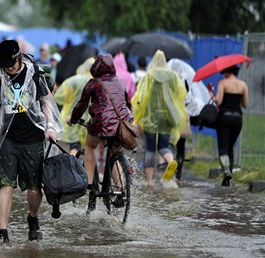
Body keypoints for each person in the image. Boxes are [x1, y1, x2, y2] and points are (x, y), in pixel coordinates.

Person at [0, 40, 62, 243]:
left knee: (34, 188)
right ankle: (3, 232)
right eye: (4, 64)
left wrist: (50, 126)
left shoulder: (34, 74)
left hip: (33, 137)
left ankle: (33, 219)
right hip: (6, 138)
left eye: (12, 63)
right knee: (6, 185)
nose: (8, 68)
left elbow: (45, 101)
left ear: (18, 57)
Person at [68, 54, 133, 213]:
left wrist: (74, 118)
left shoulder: (94, 83)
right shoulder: (119, 82)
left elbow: (81, 105)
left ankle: (90, 186)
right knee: (115, 153)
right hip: (120, 126)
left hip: (100, 125)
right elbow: (127, 103)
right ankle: (119, 190)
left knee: (90, 146)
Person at [131, 50, 187, 190]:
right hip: (167, 117)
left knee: (150, 149)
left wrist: (138, 113)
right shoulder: (173, 76)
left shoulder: (149, 76)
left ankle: (149, 182)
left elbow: (141, 95)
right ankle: (171, 161)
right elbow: (181, 92)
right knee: (163, 146)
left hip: (151, 117)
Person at [210, 65, 249, 186]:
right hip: (238, 118)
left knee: (223, 147)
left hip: (224, 117)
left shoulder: (223, 82)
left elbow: (219, 101)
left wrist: (211, 93)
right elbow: (245, 104)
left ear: (226, 72)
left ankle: (226, 172)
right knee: (230, 147)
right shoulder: (243, 85)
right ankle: (228, 178)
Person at [54, 57, 95, 156]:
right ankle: (74, 167)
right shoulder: (95, 82)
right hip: (87, 119)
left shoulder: (73, 80)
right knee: (79, 146)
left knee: (65, 148)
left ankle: (69, 167)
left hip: (69, 117)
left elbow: (58, 97)